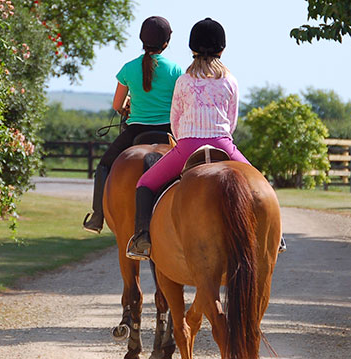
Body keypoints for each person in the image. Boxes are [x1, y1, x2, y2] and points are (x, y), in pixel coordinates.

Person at [126, 18, 251, 260]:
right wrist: (220, 137)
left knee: (144, 184)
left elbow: (175, 120)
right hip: (223, 144)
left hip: (188, 146)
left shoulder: (183, 81)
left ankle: (142, 238)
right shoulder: (230, 81)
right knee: (259, 184)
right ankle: (275, 237)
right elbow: (232, 120)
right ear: (222, 49)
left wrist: (185, 140)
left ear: (192, 49)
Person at [82, 16, 184, 234]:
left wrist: (128, 106)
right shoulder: (176, 70)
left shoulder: (128, 68)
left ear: (142, 39)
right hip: (168, 131)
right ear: (166, 42)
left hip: (136, 130)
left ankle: (97, 216)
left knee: (103, 165)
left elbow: (117, 104)